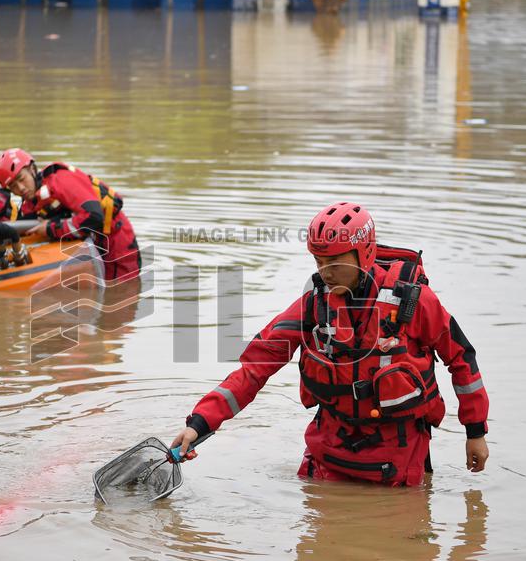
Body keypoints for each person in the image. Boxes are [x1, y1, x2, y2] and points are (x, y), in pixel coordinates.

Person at [170, 201, 490, 486]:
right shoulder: (313, 304)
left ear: (364, 253)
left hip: (398, 452)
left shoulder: (414, 302)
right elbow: (255, 369)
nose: (325, 273)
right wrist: (199, 424)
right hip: (327, 450)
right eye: (318, 261)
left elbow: (462, 360)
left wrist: (475, 433)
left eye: (336, 262)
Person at [0, 148, 141, 283]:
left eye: (21, 179)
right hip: (92, 246)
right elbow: (20, 232)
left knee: (122, 295)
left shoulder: (61, 180)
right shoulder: (30, 204)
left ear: (32, 169)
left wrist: (52, 229)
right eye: (13, 186)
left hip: (116, 241)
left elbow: (94, 217)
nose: (21, 188)